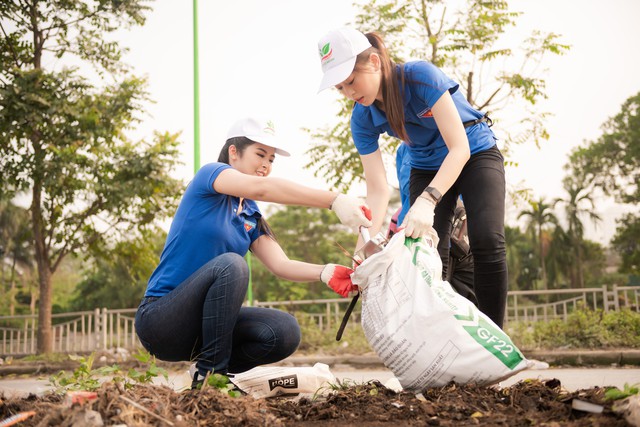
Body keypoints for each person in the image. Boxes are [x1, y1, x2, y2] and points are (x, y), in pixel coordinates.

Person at [134, 116, 372, 389]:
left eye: (271, 159)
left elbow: (281, 264)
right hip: (161, 321)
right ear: (233, 152)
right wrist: (334, 200)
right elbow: (263, 188)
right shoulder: (209, 177)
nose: (265, 165)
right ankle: (211, 379)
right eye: (260, 154)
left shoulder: (250, 214)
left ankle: (208, 366)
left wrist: (326, 272)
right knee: (232, 265)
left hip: (204, 328)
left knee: (283, 332)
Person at [316, 28, 507, 327]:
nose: (350, 93)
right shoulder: (361, 118)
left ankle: (497, 340)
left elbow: (459, 149)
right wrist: (362, 251)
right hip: (426, 166)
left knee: (488, 241)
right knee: (426, 256)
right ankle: (444, 344)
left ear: (376, 62)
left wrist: (427, 201)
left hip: (475, 152)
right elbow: (377, 190)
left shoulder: (420, 78)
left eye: (352, 81)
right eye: (340, 88)